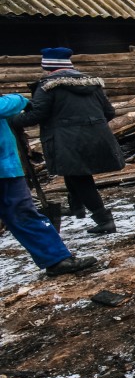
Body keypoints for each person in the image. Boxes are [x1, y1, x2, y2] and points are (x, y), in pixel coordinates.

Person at [10, 47, 124, 234]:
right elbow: (109, 112)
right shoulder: (90, 83)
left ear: (48, 67)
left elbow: (37, 114)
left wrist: (12, 120)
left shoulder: (48, 86)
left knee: (80, 178)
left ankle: (104, 219)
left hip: (67, 140)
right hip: (96, 137)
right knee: (73, 173)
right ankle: (76, 207)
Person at [0, 93, 97, 276]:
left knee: (23, 214)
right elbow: (4, 105)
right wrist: (22, 100)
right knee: (23, 213)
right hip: (5, 167)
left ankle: (56, 259)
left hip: (7, 168)